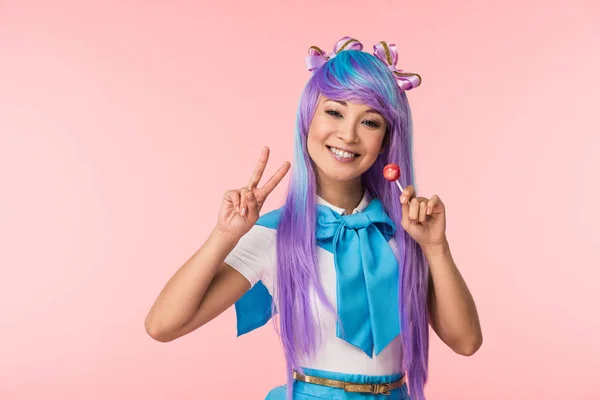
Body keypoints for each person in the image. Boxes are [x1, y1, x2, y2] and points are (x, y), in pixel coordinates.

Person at [144, 36, 483, 400]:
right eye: (334, 112)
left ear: (386, 140)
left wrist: (436, 247)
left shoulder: (407, 230)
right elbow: (162, 326)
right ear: (308, 118)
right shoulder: (277, 235)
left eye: (370, 122)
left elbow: (465, 342)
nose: (348, 135)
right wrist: (224, 236)